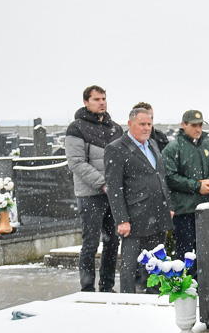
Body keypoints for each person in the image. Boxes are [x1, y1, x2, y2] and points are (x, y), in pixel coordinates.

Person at [104, 106, 173, 293]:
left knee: (156, 261)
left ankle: (154, 295)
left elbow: (160, 176)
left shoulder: (152, 144)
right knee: (130, 263)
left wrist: (168, 205)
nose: (146, 128)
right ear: (130, 124)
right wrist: (122, 219)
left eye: (149, 124)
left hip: (157, 213)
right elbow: (114, 187)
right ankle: (128, 298)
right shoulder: (116, 148)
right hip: (134, 216)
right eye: (142, 124)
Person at [64, 85, 123, 292]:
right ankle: (87, 288)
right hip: (90, 195)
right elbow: (76, 162)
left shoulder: (115, 128)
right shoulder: (76, 128)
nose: (102, 103)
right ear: (86, 102)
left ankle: (107, 286)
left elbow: (121, 160)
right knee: (90, 244)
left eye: (104, 98)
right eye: (96, 99)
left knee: (112, 242)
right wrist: (103, 183)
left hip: (112, 194)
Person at [162, 109, 209, 260]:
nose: (198, 129)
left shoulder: (207, 145)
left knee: (207, 253)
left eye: (200, 125)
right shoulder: (173, 148)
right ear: (184, 125)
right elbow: (170, 177)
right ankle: (186, 276)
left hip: (206, 208)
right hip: (185, 210)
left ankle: (203, 277)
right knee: (185, 253)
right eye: (194, 125)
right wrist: (196, 186)